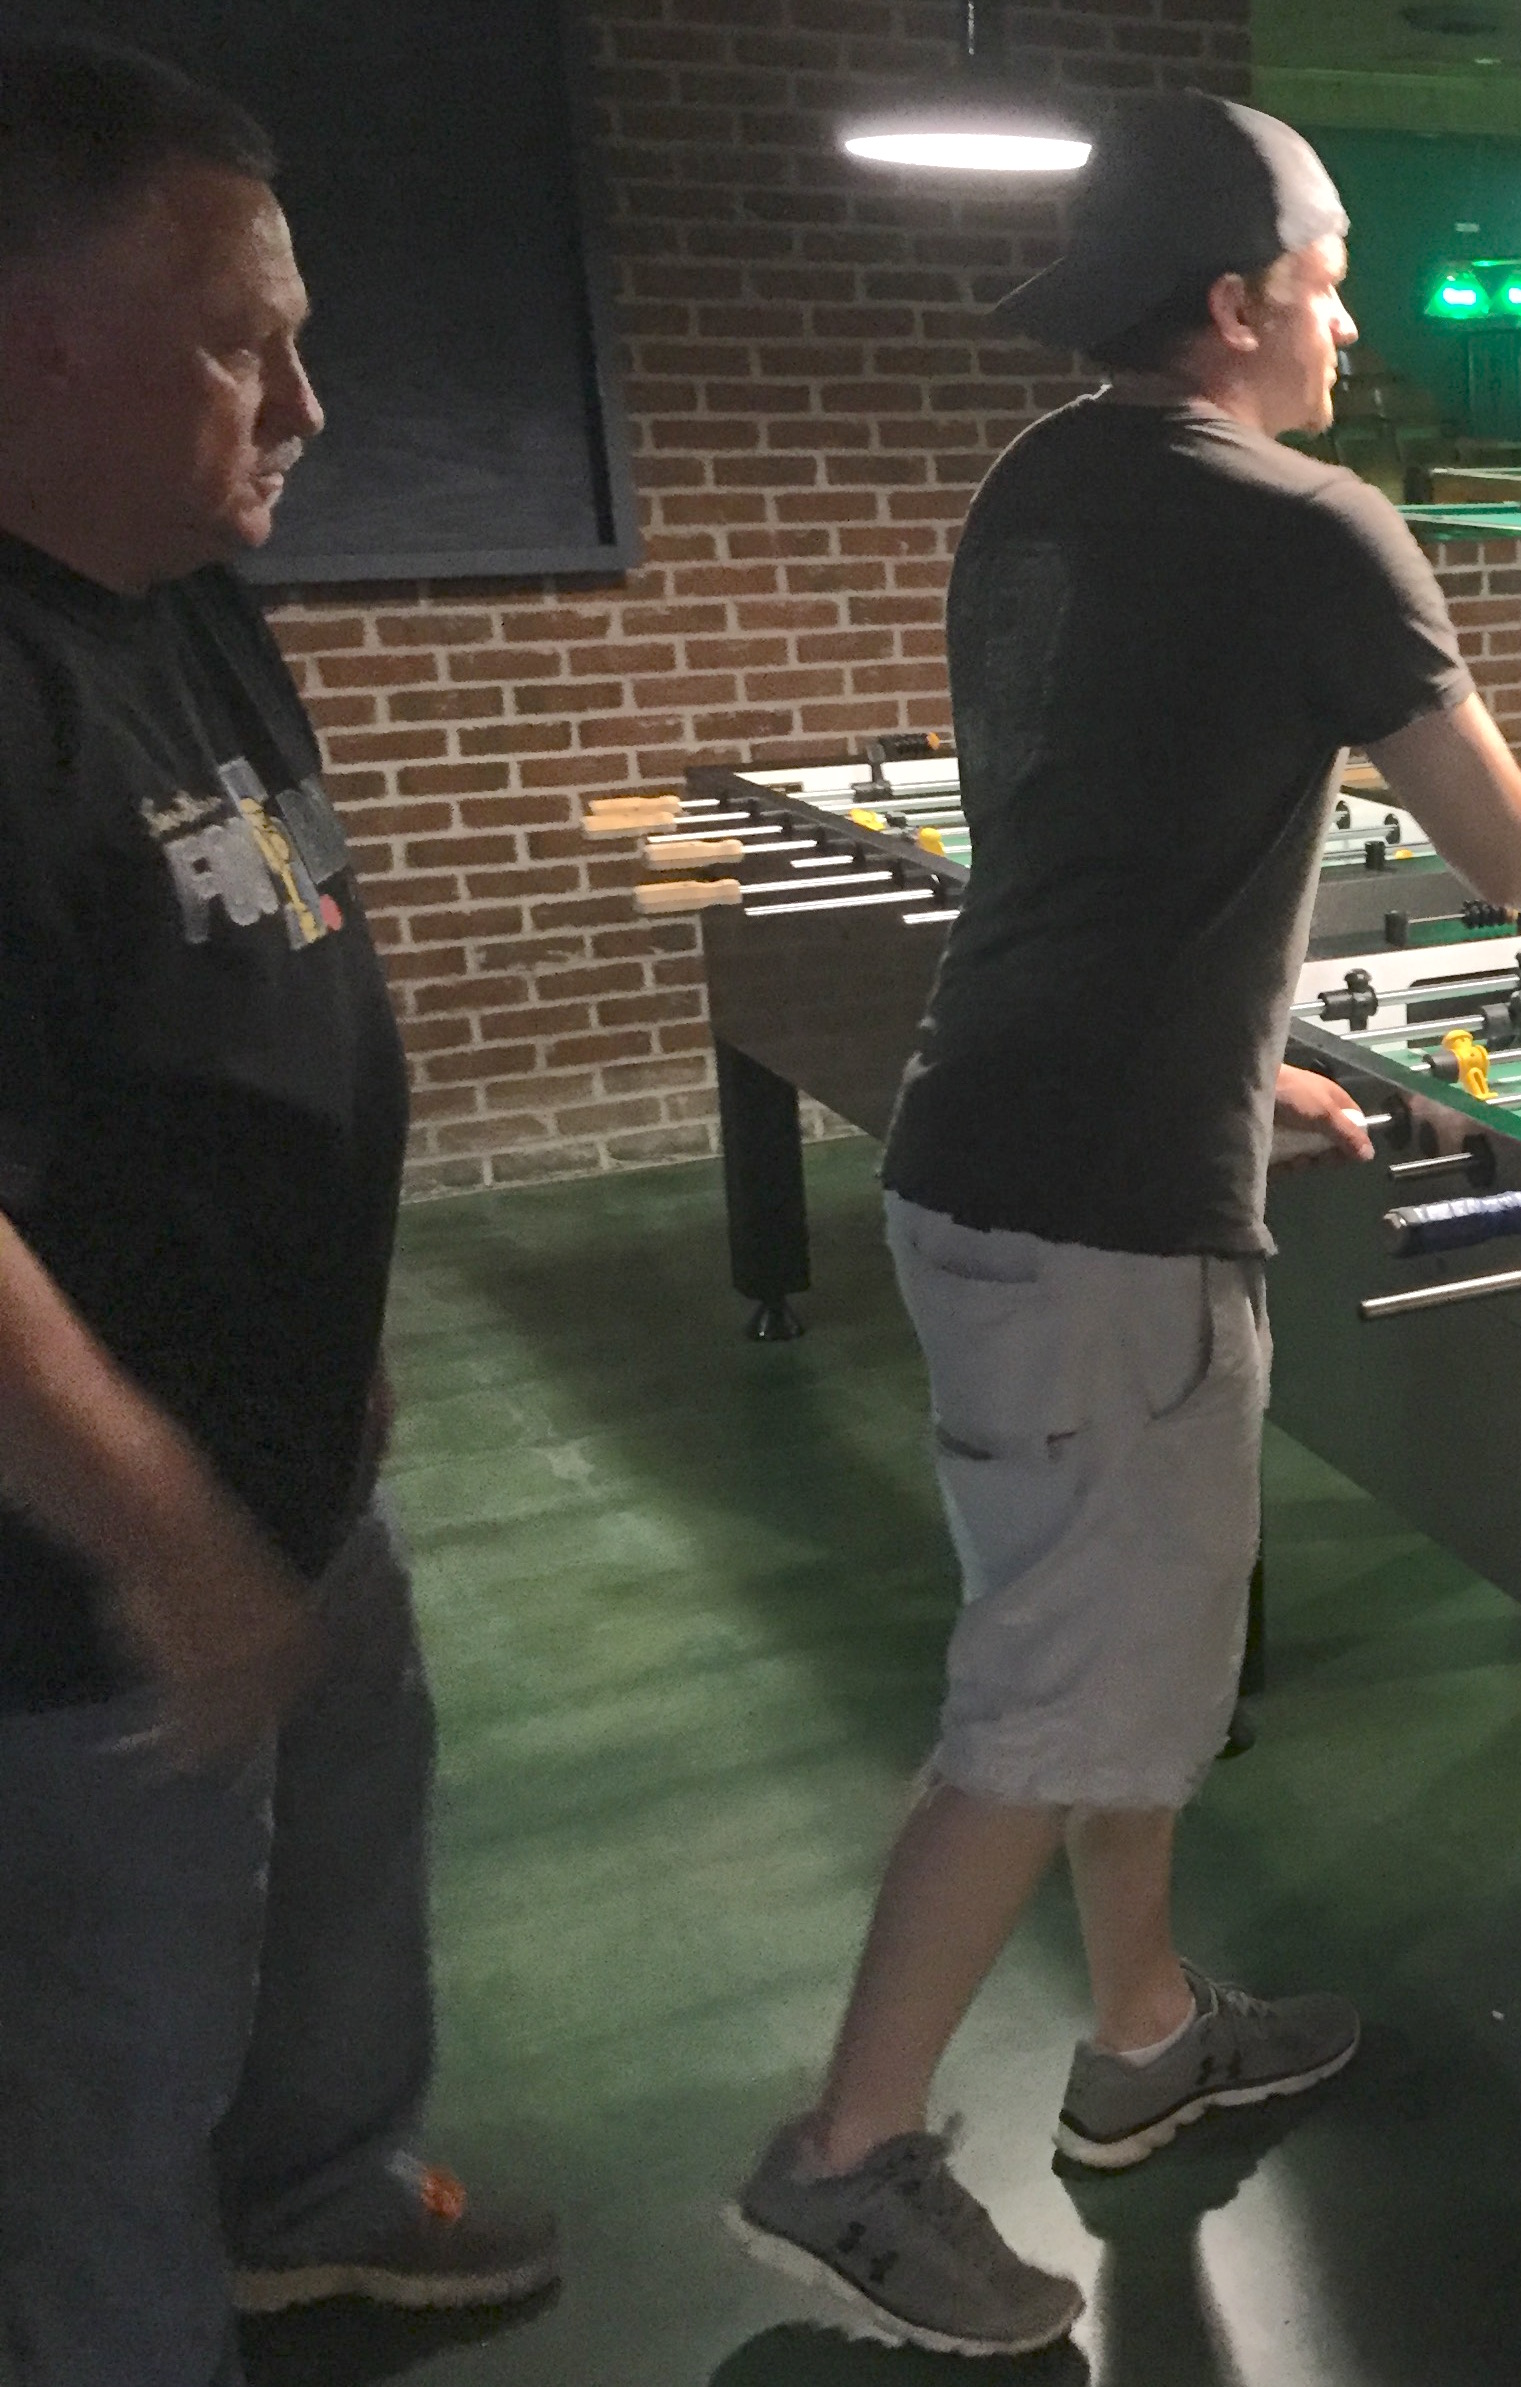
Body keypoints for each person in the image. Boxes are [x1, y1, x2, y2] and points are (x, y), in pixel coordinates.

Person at [728, 96, 1521, 2355]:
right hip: (1096, 1213)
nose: (1357, 307)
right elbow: (1510, 858)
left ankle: (1151, 2028)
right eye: (1336, 264)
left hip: (1002, 1138)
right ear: (1238, 297)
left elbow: (1094, 832)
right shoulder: (1310, 523)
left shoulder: (1039, 488)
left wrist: (1224, 1063)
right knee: (1051, 1695)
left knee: (1125, 1658)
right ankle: (848, 2155)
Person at [0, 38, 559, 2386]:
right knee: (103, 2084)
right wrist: (154, 1529)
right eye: (246, 333)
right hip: (85, 1594)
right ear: (33, 335)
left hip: (290, 1471)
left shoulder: (187, 594)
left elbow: (276, 962)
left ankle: (322, 2195)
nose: (307, 397)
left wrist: (335, 1346)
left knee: (338, 1894)